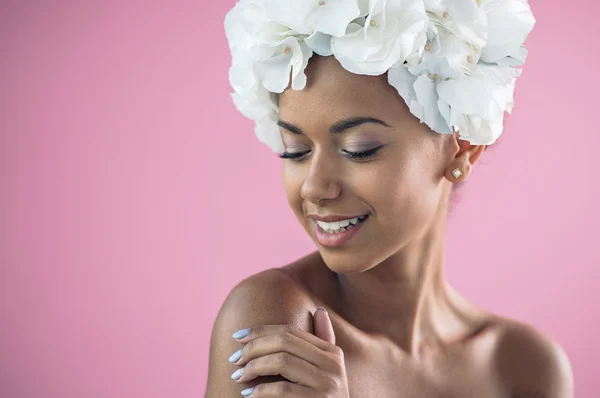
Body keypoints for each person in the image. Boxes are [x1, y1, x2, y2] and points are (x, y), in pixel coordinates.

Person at [206, 1, 574, 397]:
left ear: (463, 148)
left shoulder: (525, 367)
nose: (314, 187)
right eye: (295, 150)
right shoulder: (278, 320)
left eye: (358, 148)